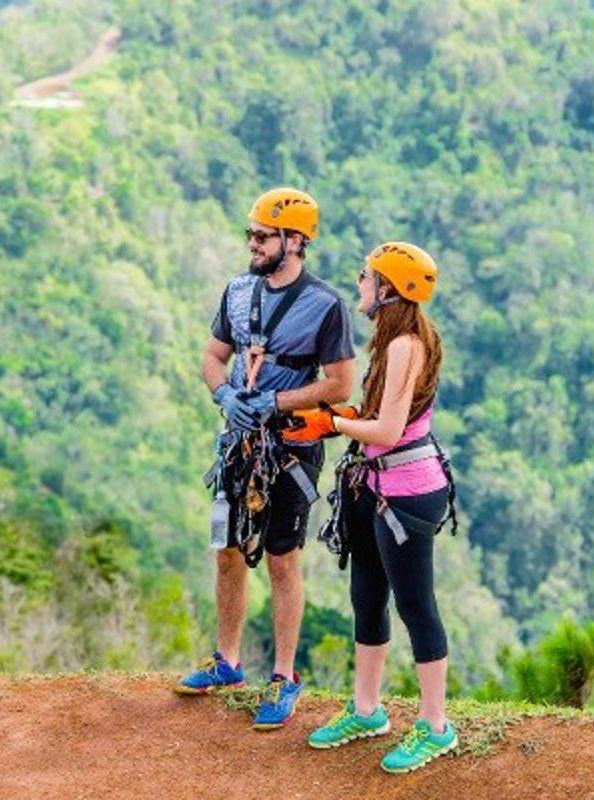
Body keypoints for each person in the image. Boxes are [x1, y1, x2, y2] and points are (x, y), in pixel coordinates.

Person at [175, 187, 356, 732]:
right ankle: (227, 661)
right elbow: (213, 355)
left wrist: (277, 401)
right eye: (250, 234)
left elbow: (342, 383)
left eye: (263, 236)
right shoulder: (236, 292)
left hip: (292, 451)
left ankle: (283, 675)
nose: (252, 244)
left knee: (282, 559)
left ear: (295, 241)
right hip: (237, 445)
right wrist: (223, 394)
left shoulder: (325, 306)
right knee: (226, 550)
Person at [287, 242, 458, 773]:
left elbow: (386, 430)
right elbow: (385, 416)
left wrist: (333, 424)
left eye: (366, 276)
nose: (359, 283)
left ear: (388, 289)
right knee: (367, 594)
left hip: (405, 491)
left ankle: (435, 727)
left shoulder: (407, 344)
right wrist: (338, 414)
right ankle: (366, 709)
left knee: (415, 606)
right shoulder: (395, 343)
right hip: (376, 485)